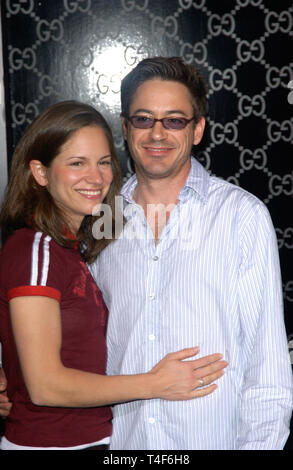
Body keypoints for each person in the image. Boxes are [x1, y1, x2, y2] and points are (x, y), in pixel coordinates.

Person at [87, 57, 292, 450]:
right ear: (126, 128)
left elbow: (267, 367)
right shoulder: (100, 219)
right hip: (122, 445)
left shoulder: (240, 216)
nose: (157, 133)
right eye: (144, 119)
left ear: (197, 129)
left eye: (175, 120)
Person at [0, 100, 227, 450]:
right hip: (53, 444)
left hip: (96, 439)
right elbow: (46, 386)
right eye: (77, 163)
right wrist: (156, 383)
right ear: (41, 172)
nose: (96, 177)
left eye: (104, 162)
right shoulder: (37, 249)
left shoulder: (75, 246)